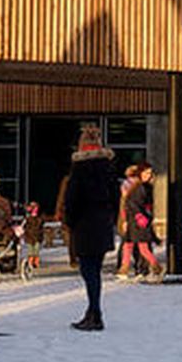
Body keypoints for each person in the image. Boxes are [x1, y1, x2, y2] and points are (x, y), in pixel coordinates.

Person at [62, 123, 120, 331]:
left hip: (84, 226)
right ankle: (93, 311)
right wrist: (111, 218)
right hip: (102, 224)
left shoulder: (79, 169)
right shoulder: (108, 168)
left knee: (89, 271)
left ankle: (94, 313)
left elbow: (72, 200)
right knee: (95, 270)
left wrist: (69, 221)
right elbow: (116, 196)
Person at [118, 162, 164, 282]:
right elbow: (129, 203)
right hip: (137, 220)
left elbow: (133, 204)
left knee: (136, 246)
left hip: (138, 221)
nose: (148, 175)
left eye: (149, 173)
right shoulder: (138, 186)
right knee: (132, 245)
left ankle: (152, 266)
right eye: (146, 173)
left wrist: (142, 216)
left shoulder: (142, 186)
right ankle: (126, 268)